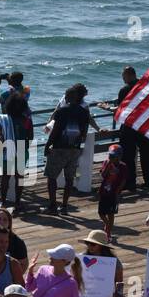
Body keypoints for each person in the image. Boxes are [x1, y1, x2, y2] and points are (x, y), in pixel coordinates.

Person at [43, 84, 94, 214]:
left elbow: (56, 130)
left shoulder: (62, 111)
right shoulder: (84, 112)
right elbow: (84, 131)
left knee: (51, 177)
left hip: (59, 148)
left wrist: (48, 144)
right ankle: (64, 206)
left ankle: (53, 205)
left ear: (68, 97)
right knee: (69, 178)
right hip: (75, 149)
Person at [96, 145, 129, 240]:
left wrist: (118, 191)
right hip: (104, 191)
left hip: (113, 193)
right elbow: (103, 175)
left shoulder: (123, 166)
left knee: (111, 213)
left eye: (113, 156)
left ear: (119, 157)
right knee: (101, 212)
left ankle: (108, 232)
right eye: (110, 156)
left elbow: (123, 180)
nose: (111, 158)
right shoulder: (106, 163)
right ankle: (107, 225)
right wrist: (108, 165)